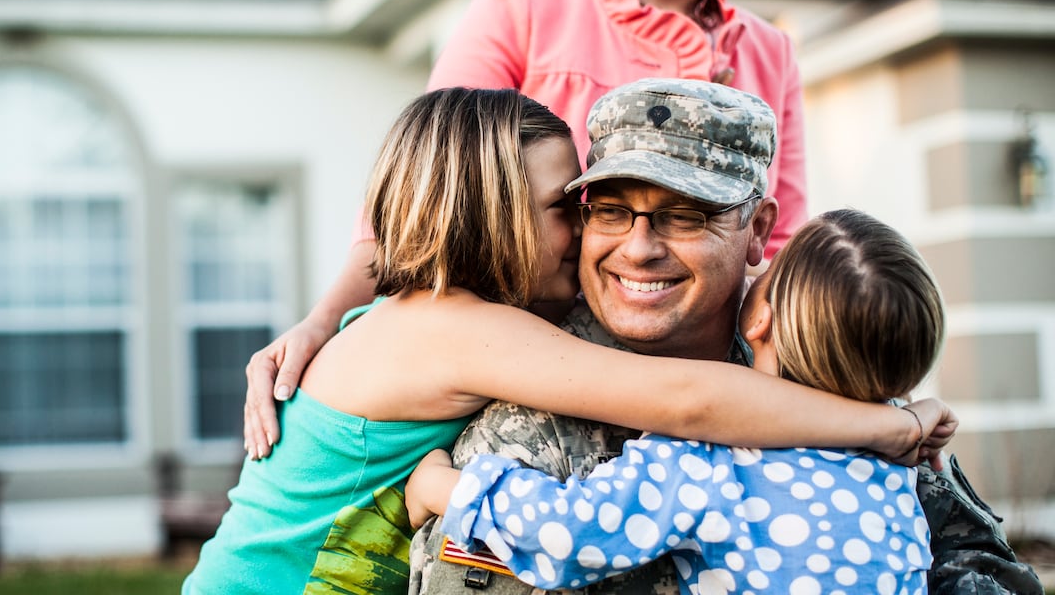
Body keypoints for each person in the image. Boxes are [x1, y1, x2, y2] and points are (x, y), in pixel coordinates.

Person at [181, 86, 945, 595]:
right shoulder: (459, 331)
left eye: (683, 216)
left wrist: (319, 316)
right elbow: (688, 401)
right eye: (570, 208)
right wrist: (885, 425)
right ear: (489, 217)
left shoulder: (427, 305)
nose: (590, 235)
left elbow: (382, 251)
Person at [244, 0, 858, 454]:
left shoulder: (770, 53)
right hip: (542, 398)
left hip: (717, 397)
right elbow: (427, 195)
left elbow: (783, 256)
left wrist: (847, 393)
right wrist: (324, 323)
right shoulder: (526, 3)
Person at [406, 78, 1043, 595]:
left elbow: (981, 565)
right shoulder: (524, 421)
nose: (639, 248)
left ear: (760, 228)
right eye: (610, 209)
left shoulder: (819, 361)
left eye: (685, 215)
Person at [405, 208, 947, 593]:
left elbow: (573, 533)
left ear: (760, 318)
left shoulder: (709, 460)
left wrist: (448, 487)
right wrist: (915, 417)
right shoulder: (894, 455)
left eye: (772, 267)